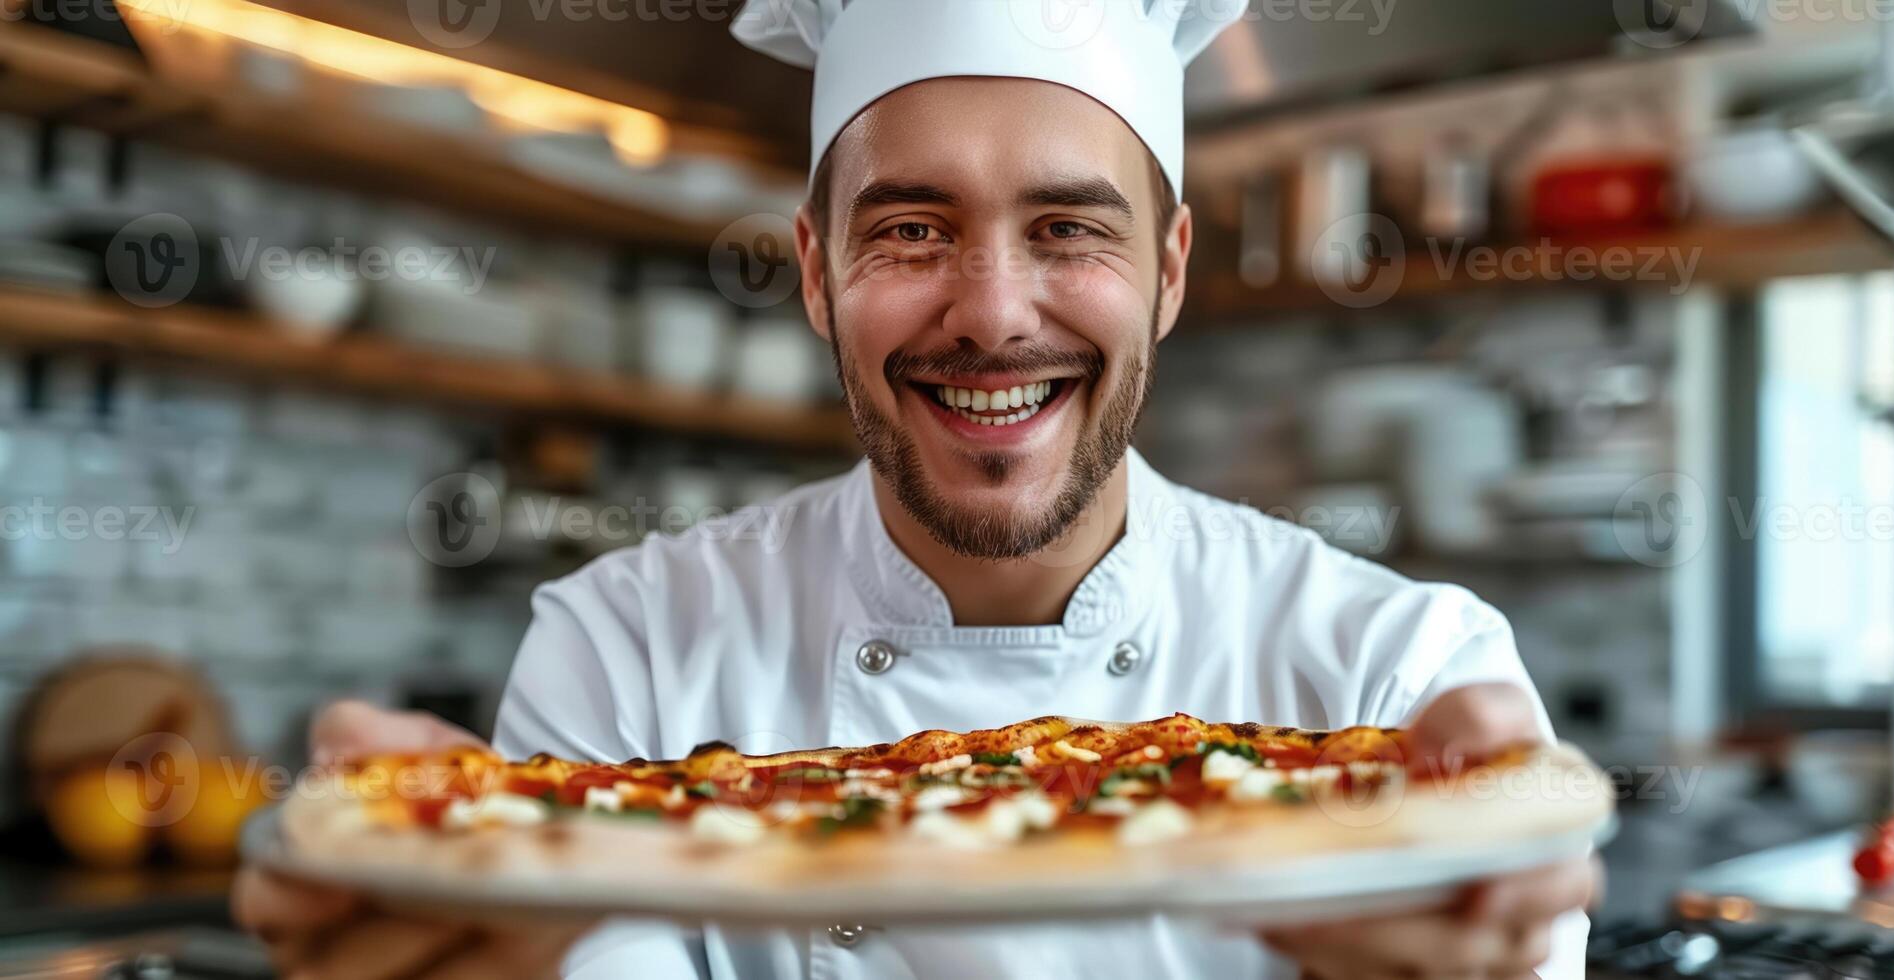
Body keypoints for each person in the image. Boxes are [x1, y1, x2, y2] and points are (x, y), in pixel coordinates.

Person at [233, 0, 1599, 976]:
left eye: (1068, 228)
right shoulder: (625, 649)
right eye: (910, 230)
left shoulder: (1403, 679)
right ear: (818, 275)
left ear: (1171, 271)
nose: (993, 313)